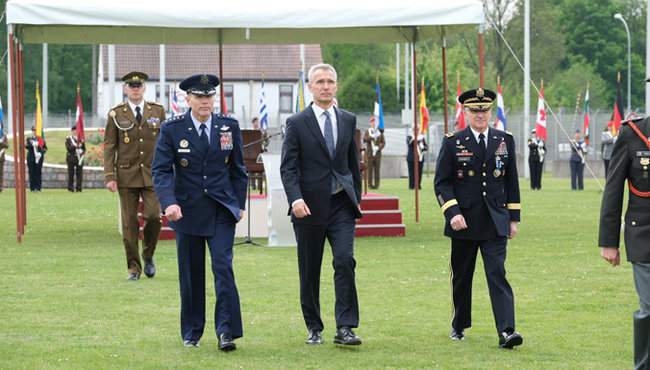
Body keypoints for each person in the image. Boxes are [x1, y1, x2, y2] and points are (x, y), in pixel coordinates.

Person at [152, 74, 247, 351]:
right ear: (188, 99)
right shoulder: (173, 129)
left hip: (221, 209)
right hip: (187, 211)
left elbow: (238, 170)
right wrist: (169, 202)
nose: (205, 101)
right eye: (199, 96)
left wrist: (239, 204)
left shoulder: (228, 127)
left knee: (223, 267)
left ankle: (226, 331)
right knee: (192, 273)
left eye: (209, 96)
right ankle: (192, 331)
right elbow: (160, 170)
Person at [280, 63, 363, 346]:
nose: (325, 86)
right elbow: (288, 168)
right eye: (320, 82)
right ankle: (314, 327)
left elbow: (353, 164)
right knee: (309, 268)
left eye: (330, 81)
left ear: (336, 86)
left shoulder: (348, 120)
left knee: (344, 261)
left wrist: (356, 200)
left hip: (341, 205)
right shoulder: (297, 123)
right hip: (309, 207)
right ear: (310, 87)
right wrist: (295, 199)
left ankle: (346, 327)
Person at [434, 87, 523, 349]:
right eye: (474, 110)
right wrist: (452, 213)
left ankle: (507, 330)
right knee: (462, 276)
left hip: (496, 220)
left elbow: (512, 181)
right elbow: (442, 183)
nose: (480, 115)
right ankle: (459, 324)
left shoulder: (504, 139)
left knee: (497, 274)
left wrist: (513, 217)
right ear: (465, 112)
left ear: (490, 112)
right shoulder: (453, 142)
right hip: (464, 222)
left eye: (484, 110)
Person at [598, 112, 650, 370]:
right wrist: (609, 241)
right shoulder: (633, 133)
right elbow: (614, 188)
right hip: (644, 235)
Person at [103, 71, 165, 280]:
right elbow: (110, 146)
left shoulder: (157, 111)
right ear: (125, 89)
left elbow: (165, 143)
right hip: (127, 174)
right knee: (129, 224)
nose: (135, 89)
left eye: (139, 86)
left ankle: (148, 255)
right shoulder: (116, 114)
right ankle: (133, 268)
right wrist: (110, 175)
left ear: (144, 88)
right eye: (131, 86)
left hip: (152, 173)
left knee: (154, 216)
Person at [363, 117, 385, 189]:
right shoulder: (368, 131)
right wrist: (371, 137)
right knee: (369, 170)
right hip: (369, 154)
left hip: (377, 154)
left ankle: (376, 185)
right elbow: (364, 139)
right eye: (372, 122)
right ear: (370, 123)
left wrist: (379, 147)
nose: (373, 123)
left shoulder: (380, 132)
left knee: (377, 170)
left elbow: (383, 142)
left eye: (374, 122)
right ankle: (369, 184)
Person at [25, 126, 47, 192]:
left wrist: (41, 153)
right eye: (33, 130)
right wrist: (33, 144)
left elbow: (45, 148)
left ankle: (38, 187)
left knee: (38, 172)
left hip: (39, 158)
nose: (34, 132)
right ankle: (32, 188)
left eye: (35, 130)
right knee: (31, 172)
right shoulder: (29, 139)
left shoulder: (41, 139)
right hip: (31, 157)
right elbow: (27, 146)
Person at [65, 125, 86, 192]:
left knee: (79, 173)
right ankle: (70, 188)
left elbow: (84, 149)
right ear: (72, 131)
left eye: (76, 130)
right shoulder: (68, 139)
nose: (75, 132)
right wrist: (76, 146)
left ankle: (78, 188)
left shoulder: (80, 139)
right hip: (71, 158)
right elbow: (68, 148)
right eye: (73, 130)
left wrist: (81, 151)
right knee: (71, 173)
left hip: (79, 158)